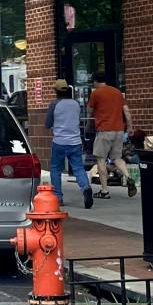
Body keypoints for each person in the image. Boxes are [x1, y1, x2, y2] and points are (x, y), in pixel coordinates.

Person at [44, 78, 92, 209]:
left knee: (55, 169)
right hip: (75, 142)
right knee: (78, 168)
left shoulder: (54, 104)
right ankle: (86, 188)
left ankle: (58, 198)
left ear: (56, 91)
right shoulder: (76, 104)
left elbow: (47, 124)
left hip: (59, 141)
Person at [87, 75, 129, 197]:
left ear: (95, 81)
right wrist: (130, 127)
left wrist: (89, 124)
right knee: (117, 158)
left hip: (104, 130)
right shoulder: (117, 92)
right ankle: (128, 177)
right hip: (119, 130)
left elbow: (89, 111)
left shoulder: (96, 93)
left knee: (101, 160)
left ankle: (104, 191)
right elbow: (126, 110)